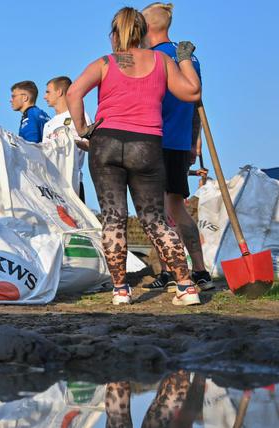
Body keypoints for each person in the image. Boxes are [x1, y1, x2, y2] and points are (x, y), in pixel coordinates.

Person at [66, 7, 201, 305]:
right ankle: (186, 286)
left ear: (115, 33)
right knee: (154, 218)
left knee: (113, 218)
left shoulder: (105, 62)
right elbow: (192, 93)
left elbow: (73, 93)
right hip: (147, 144)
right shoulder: (163, 60)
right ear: (142, 33)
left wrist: (84, 130)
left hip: (106, 142)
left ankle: (120, 291)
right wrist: (185, 58)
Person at [142, 2, 212, 292]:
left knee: (156, 210)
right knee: (176, 206)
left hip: (158, 139)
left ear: (148, 28)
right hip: (182, 141)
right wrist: (195, 141)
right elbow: (195, 101)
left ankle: (171, 270)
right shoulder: (188, 58)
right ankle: (199, 270)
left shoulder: (154, 58)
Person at [42, 76, 91, 200]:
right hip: (52, 186)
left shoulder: (79, 115)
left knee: (76, 220)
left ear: (59, 92)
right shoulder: (48, 124)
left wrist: (72, 142)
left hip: (72, 184)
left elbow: (92, 145)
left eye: (48, 92)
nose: (44, 96)